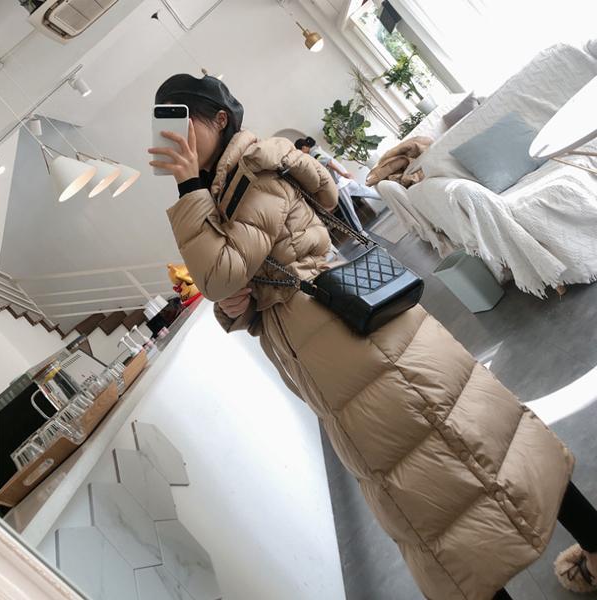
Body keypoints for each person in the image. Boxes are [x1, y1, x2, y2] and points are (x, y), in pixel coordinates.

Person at [149, 74, 597, 600]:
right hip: (338, 353)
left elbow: (219, 274)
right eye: (163, 126)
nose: (173, 137)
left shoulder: (250, 172)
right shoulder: (222, 192)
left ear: (218, 119)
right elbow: (245, 280)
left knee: (464, 457)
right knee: (447, 472)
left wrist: (187, 189)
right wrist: (239, 307)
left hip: (357, 347)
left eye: (181, 121)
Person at [295, 136, 381, 233]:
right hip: (345, 181)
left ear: (304, 148)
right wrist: (344, 174)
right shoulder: (318, 149)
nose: (302, 154)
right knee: (368, 192)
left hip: (339, 186)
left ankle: (361, 234)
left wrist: (343, 174)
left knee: (349, 212)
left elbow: (329, 163)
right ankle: (386, 196)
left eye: (300, 152)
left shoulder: (313, 154)